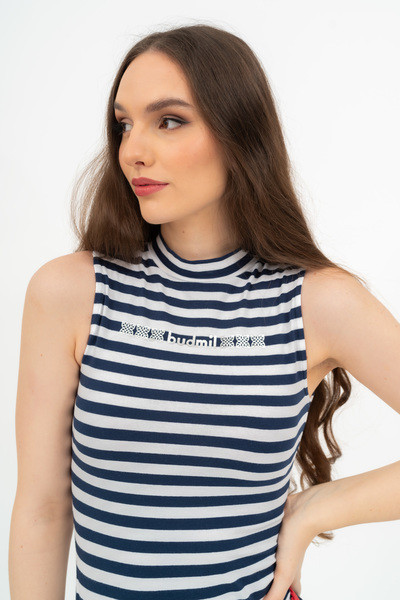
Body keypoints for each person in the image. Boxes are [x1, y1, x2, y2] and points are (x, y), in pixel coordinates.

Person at [8, 23, 400, 600]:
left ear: (240, 133)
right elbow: (42, 508)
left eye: (169, 120)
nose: (132, 150)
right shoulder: (71, 293)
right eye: (124, 124)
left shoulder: (318, 302)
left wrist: (317, 507)